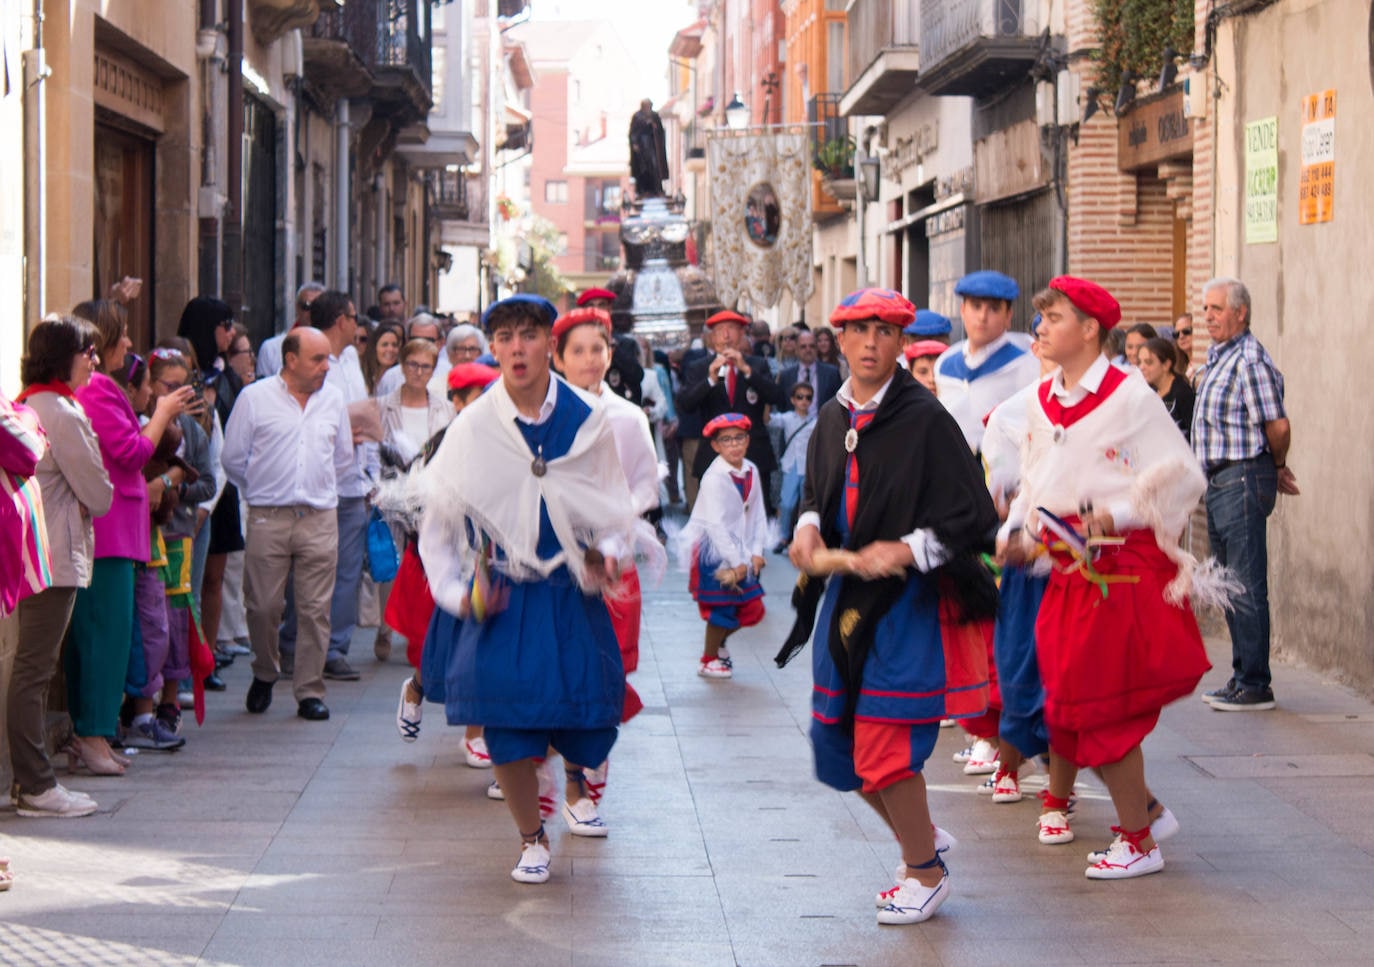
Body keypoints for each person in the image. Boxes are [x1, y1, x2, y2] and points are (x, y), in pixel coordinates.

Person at [416, 293, 649, 884]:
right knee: (507, 729)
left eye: (528, 334)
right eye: (505, 337)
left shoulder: (587, 419)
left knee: (587, 727)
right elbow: (437, 531)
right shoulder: (471, 428)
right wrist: (455, 594)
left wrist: (611, 556)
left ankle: (569, 783)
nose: (517, 348)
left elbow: (615, 509)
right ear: (493, 348)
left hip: (572, 596)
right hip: (503, 597)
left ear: (549, 342)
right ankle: (531, 837)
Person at [785, 287, 1000, 925]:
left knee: (884, 744)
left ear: (902, 343)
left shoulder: (926, 419)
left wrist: (904, 550)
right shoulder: (832, 416)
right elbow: (818, 493)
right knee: (837, 747)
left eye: (885, 332)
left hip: (910, 609)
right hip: (847, 606)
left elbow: (973, 517)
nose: (872, 343)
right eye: (859, 331)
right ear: (840, 340)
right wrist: (807, 526)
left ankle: (923, 872)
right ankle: (922, 837)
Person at [999, 276, 1212, 879]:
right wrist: (1014, 530)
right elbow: (1034, 477)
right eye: (1040, 316)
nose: (1039, 327)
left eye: (1053, 317)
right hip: (1063, 567)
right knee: (1065, 701)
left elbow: (1183, 476)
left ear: (1091, 329)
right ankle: (1142, 816)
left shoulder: (1130, 396)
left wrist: (1112, 514)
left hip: (1117, 569)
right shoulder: (1042, 397)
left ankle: (1139, 838)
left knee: (1096, 704)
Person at [70, 300, 194, 774]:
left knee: (106, 635)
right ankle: (94, 734)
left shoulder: (99, 387)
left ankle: (96, 733)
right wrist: (162, 413)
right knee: (107, 638)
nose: (127, 343)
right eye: (120, 335)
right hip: (111, 530)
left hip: (115, 529)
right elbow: (131, 452)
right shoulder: (100, 389)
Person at [550, 305, 662, 828]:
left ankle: (587, 772)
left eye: (598, 349)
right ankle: (560, 775)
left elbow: (642, 487)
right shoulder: (540, 414)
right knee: (563, 674)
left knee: (602, 677)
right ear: (559, 358)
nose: (590, 360)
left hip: (610, 566)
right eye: (578, 351)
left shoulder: (627, 417)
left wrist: (612, 539)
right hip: (552, 564)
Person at [223, 328, 354, 722]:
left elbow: (343, 457)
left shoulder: (333, 399)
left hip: (319, 517)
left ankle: (309, 690)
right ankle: (265, 670)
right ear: (291, 360)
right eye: (317, 359)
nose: (326, 367)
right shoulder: (254, 398)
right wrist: (262, 489)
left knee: (315, 609)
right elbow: (232, 459)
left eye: (328, 358)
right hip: (269, 516)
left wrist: (313, 486)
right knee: (263, 605)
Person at [10, 317, 112, 816]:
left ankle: (31, 782)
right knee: (33, 671)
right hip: (50, 557)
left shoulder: (32, 401)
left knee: (31, 669)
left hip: (37, 553)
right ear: (62, 357)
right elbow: (99, 493)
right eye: (87, 351)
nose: (94, 359)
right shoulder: (61, 412)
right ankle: (35, 784)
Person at [1193, 277, 1297, 711]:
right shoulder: (1220, 358)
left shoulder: (1249, 361)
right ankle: (1241, 677)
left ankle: (1256, 683)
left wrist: (1275, 467)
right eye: (1206, 310)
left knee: (1247, 583)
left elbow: (1277, 425)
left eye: (1217, 309)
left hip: (1241, 478)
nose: (1209, 317)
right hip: (1219, 481)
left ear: (1241, 313)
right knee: (1230, 584)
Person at [387, 361, 497, 762]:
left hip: (496, 567)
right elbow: (428, 526)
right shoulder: (442, 448)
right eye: (478, 400)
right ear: (456, 402)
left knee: (485, 653)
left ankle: (477, 734)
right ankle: (415, 689)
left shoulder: (509, 441)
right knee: (440, 655)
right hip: (445, 564)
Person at [278, 290, 376, 682]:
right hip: (315, 489)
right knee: (302, 573)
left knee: (346, 572)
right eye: (354, 317)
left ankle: (334, 647)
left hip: (351, 484)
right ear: (341, 320)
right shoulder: (308, 364)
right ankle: (292, 648)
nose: (358, 325)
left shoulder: (351, 360)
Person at [121, 347, 215, 749]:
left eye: (185, 387)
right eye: (169, 386)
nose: (179, 394)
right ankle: (138, 704)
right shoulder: (136, 423)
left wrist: (170, 484)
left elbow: (208, 483)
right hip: (139, 538)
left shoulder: (191, 430)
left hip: (177, 536)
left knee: (176, 620)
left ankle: (169, 704)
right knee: (145, 623)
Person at [373, 338, 452, 663]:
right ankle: (385, 626)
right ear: (402, 366)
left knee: (427, 561)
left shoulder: (443, 407)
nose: (418, 372)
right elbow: (373, 449)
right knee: (391, 562)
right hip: (394, 492)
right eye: (413, 365)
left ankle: (422, 630)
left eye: (425, 366)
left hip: (432, 492)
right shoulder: (381, 405)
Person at [683, 414, 767, 680]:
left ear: (747, 440)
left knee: (753, 609)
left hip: (740, 548)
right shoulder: (713, 477)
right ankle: (707, 659)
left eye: (739, 438)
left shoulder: (751, 470)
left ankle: (718, 646)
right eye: (726, 440)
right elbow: (715, 526)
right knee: (721, 609)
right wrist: (735, 561)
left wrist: (756, 552)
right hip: (714, 551)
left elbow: (758, 515)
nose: (734, 445)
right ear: (716, 446)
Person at [676, 310, 785, 516]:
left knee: (755, 519)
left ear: (742, 334)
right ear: (712, 337)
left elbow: (777, 397)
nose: (726, 336)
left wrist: (748, 372)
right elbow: (685, 404)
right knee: (715, 521)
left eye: (732, 330)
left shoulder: (756, 365)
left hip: (754, 454)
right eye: (720, 331)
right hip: (713, 456)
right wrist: (709, 381)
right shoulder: (699, 368)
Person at [934, 271, 1040, 453]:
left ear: (1008, 316)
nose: (982, 317)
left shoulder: (1026, 363)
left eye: (993, 309)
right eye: (976, 306)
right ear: (962, 311)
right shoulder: (945, 364)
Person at [768, 382, 817, 550]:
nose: (804, 401)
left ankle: (799, 539)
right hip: (791, 465)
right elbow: (768, 420)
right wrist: (766, 399)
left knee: (805, 504)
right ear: (793, 400)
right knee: (787, 503)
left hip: (809, 466)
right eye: (800, 397)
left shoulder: (816, 421)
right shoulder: (787, 418)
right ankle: (783, 536)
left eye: (808, 397)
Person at [257, 281, 324, 378]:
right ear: (297, 308)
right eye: (307, 306)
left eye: (318, 307)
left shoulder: (341, 352)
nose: (312, 312)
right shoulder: (271, 349)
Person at [374, 312, 443, 397]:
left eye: (428, 341)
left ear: (440, 343)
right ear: (407, 341)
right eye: (416, 339)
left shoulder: (448, 373)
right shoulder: (391, 377)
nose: (421, 345)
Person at [1137, 336, 1194, 438]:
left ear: (1166, 365)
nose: (1141, 367)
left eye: (1148, 362)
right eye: (1140, 362)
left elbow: (1192, 432)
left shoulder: (1182, 393)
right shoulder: (1151, 391)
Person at [779, 329, 842, 412]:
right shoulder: (786, 376)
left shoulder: (831, 373)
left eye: (812, 346)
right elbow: (782, 406)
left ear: (816, 348)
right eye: (803, 347)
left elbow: (839, 404)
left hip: (823, 423)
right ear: (796, 350)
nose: (808, 350)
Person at [628, 98, 669, 198]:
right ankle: (643, 189)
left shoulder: (654, 116)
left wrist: (655, 127)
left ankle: (656, 188)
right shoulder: (637, 116)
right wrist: (635, 143)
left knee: (655, 166)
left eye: (649, 105)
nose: (648, 107)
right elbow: (633, 132)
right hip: (642, 145)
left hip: (653, 146)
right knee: (643, 168)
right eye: (646, 105)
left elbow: (660, 130)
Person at [361, 321, 404, 395]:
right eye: (385, 345)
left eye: (394, 345)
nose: (390, 349)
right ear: (374, 348)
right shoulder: (362, 376)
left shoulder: (403, 377)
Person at [1174, 313, 1198, 382]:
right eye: (1176, 334)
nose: (1181, 337)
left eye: (1186, 331)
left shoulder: (1203, 363)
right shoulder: (1177, 365)